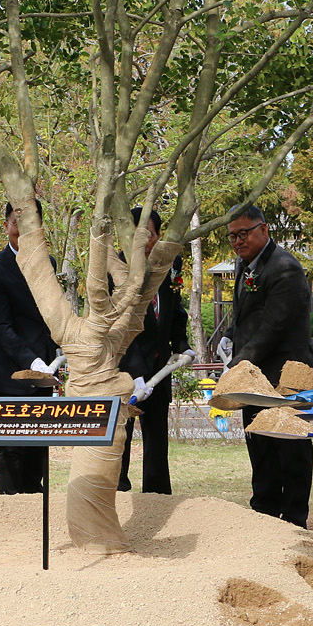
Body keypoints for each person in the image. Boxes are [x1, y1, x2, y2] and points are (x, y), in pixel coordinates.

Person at [218, 204, 313, 528]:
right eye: (232, 236)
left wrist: (237, 365)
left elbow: (273, 329)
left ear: (264, 229)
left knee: (290, 450)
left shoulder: (285, 269)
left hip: (287, 373)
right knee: (260, 443)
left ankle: (294, 521)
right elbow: (246, 314)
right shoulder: (243, 263)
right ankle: (263, 518)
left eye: (244, 233)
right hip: (256, 375)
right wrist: (229, 336)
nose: (238, 241)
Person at [0, 199, 57, 494]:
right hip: (10, 374)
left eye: (29, 224)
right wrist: (31, 361)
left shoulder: (49, 264)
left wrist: (55, 353)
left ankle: (36, 510)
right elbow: (1, 328)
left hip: (45, 373)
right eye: (15, 222)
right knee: (12, 450)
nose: (21, 230)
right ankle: (11, 511)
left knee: (37, 448)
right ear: (6, 224)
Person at [116, 207, 190, 495]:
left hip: (160, 369)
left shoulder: (169, 264)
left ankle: (157, 496)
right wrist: (134, 374)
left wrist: (181, 344)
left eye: (150, 233)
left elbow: (176, 309)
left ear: (159, 236)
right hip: (125, 371)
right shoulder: (117, 269)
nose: (144, 240)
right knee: (120, 437)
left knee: (157, 439)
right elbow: (118, 328)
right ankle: (118, 495)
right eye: (137, 234)